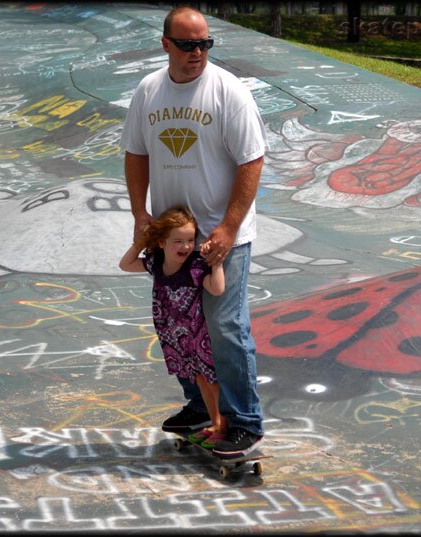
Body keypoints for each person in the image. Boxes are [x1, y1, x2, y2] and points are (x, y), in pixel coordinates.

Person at [120, 5, 267, 458]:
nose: (197, 52)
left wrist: (227, 227)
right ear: (166, 44)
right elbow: (136, 153)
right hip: (173, 239)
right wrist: (140, 215)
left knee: (224, 326)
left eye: (205, 43)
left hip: (222, 238)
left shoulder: (229, 92)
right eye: (187, 44)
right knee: (180, 325)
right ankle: (199, 407)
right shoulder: (149, 92)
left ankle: (244, 421)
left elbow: (251, 161)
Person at [119, 206, 228, 448]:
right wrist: (140, 242)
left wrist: (217, 264)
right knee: (199, 378)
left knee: (210, 378)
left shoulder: (195, 266)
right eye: (178, 241)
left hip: (197, 333)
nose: (186, 246)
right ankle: (214, 423)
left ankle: (222, 425)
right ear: (161, 242)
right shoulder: (156, 264)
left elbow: (217, 288)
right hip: (173, 334)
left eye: (190, 240)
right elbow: (125, 264)